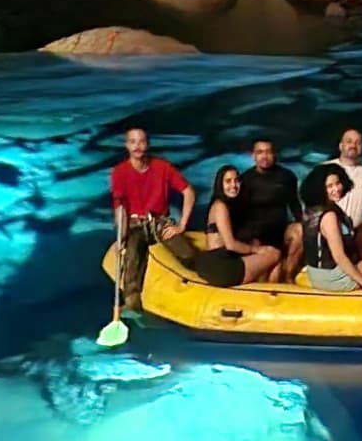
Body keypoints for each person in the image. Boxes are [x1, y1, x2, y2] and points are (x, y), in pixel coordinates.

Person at [110, 125, 196, 312]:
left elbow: (188, 192)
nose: (137, 146)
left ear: (147, 144)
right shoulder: (119, 172)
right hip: (135, 224)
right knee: (132, 254)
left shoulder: (162, 167)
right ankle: (132, 301)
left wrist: (181, 225)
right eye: (133, 142)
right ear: (127, 145)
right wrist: (121, 237)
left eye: (141, 141)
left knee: (186, 253)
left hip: (159, 222)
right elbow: (121, 208)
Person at [300, 166, 362, 294]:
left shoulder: (315, 209)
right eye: (329, 186)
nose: (336, 189)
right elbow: (339, 256)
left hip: (317, 272)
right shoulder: (329, 216)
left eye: (337, 183)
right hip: (333, 277)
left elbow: (354, 235)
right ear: (320, 189)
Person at [182, 166, 280, 287]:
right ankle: (269, 296)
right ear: (220, 184)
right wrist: (256, 250)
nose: (233, 185)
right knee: (275, 254)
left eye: (237, 180)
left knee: (262, 250)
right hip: (220, 266)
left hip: (216, 261)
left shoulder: (226, 206)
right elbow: (231, 245)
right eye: (228, 181)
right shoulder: (220, 206)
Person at [235, 138, 304, 281]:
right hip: (257, 237)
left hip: (281, 233)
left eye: (268, 152)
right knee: (273, 278)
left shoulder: (287, 177)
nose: (264, 156)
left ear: (274, 154)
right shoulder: (245, 180)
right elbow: (239, 214)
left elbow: (295, 206)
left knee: (300, 230)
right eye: (260, 152)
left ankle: (290, 273)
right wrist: (250, 241)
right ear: (253, 155)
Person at [326, 128, 362, 229]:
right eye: (349, 141)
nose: (353, 146)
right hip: (329, 230)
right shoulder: (325, 168)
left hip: (358, 231)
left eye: (358, 143)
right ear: (341, 146)